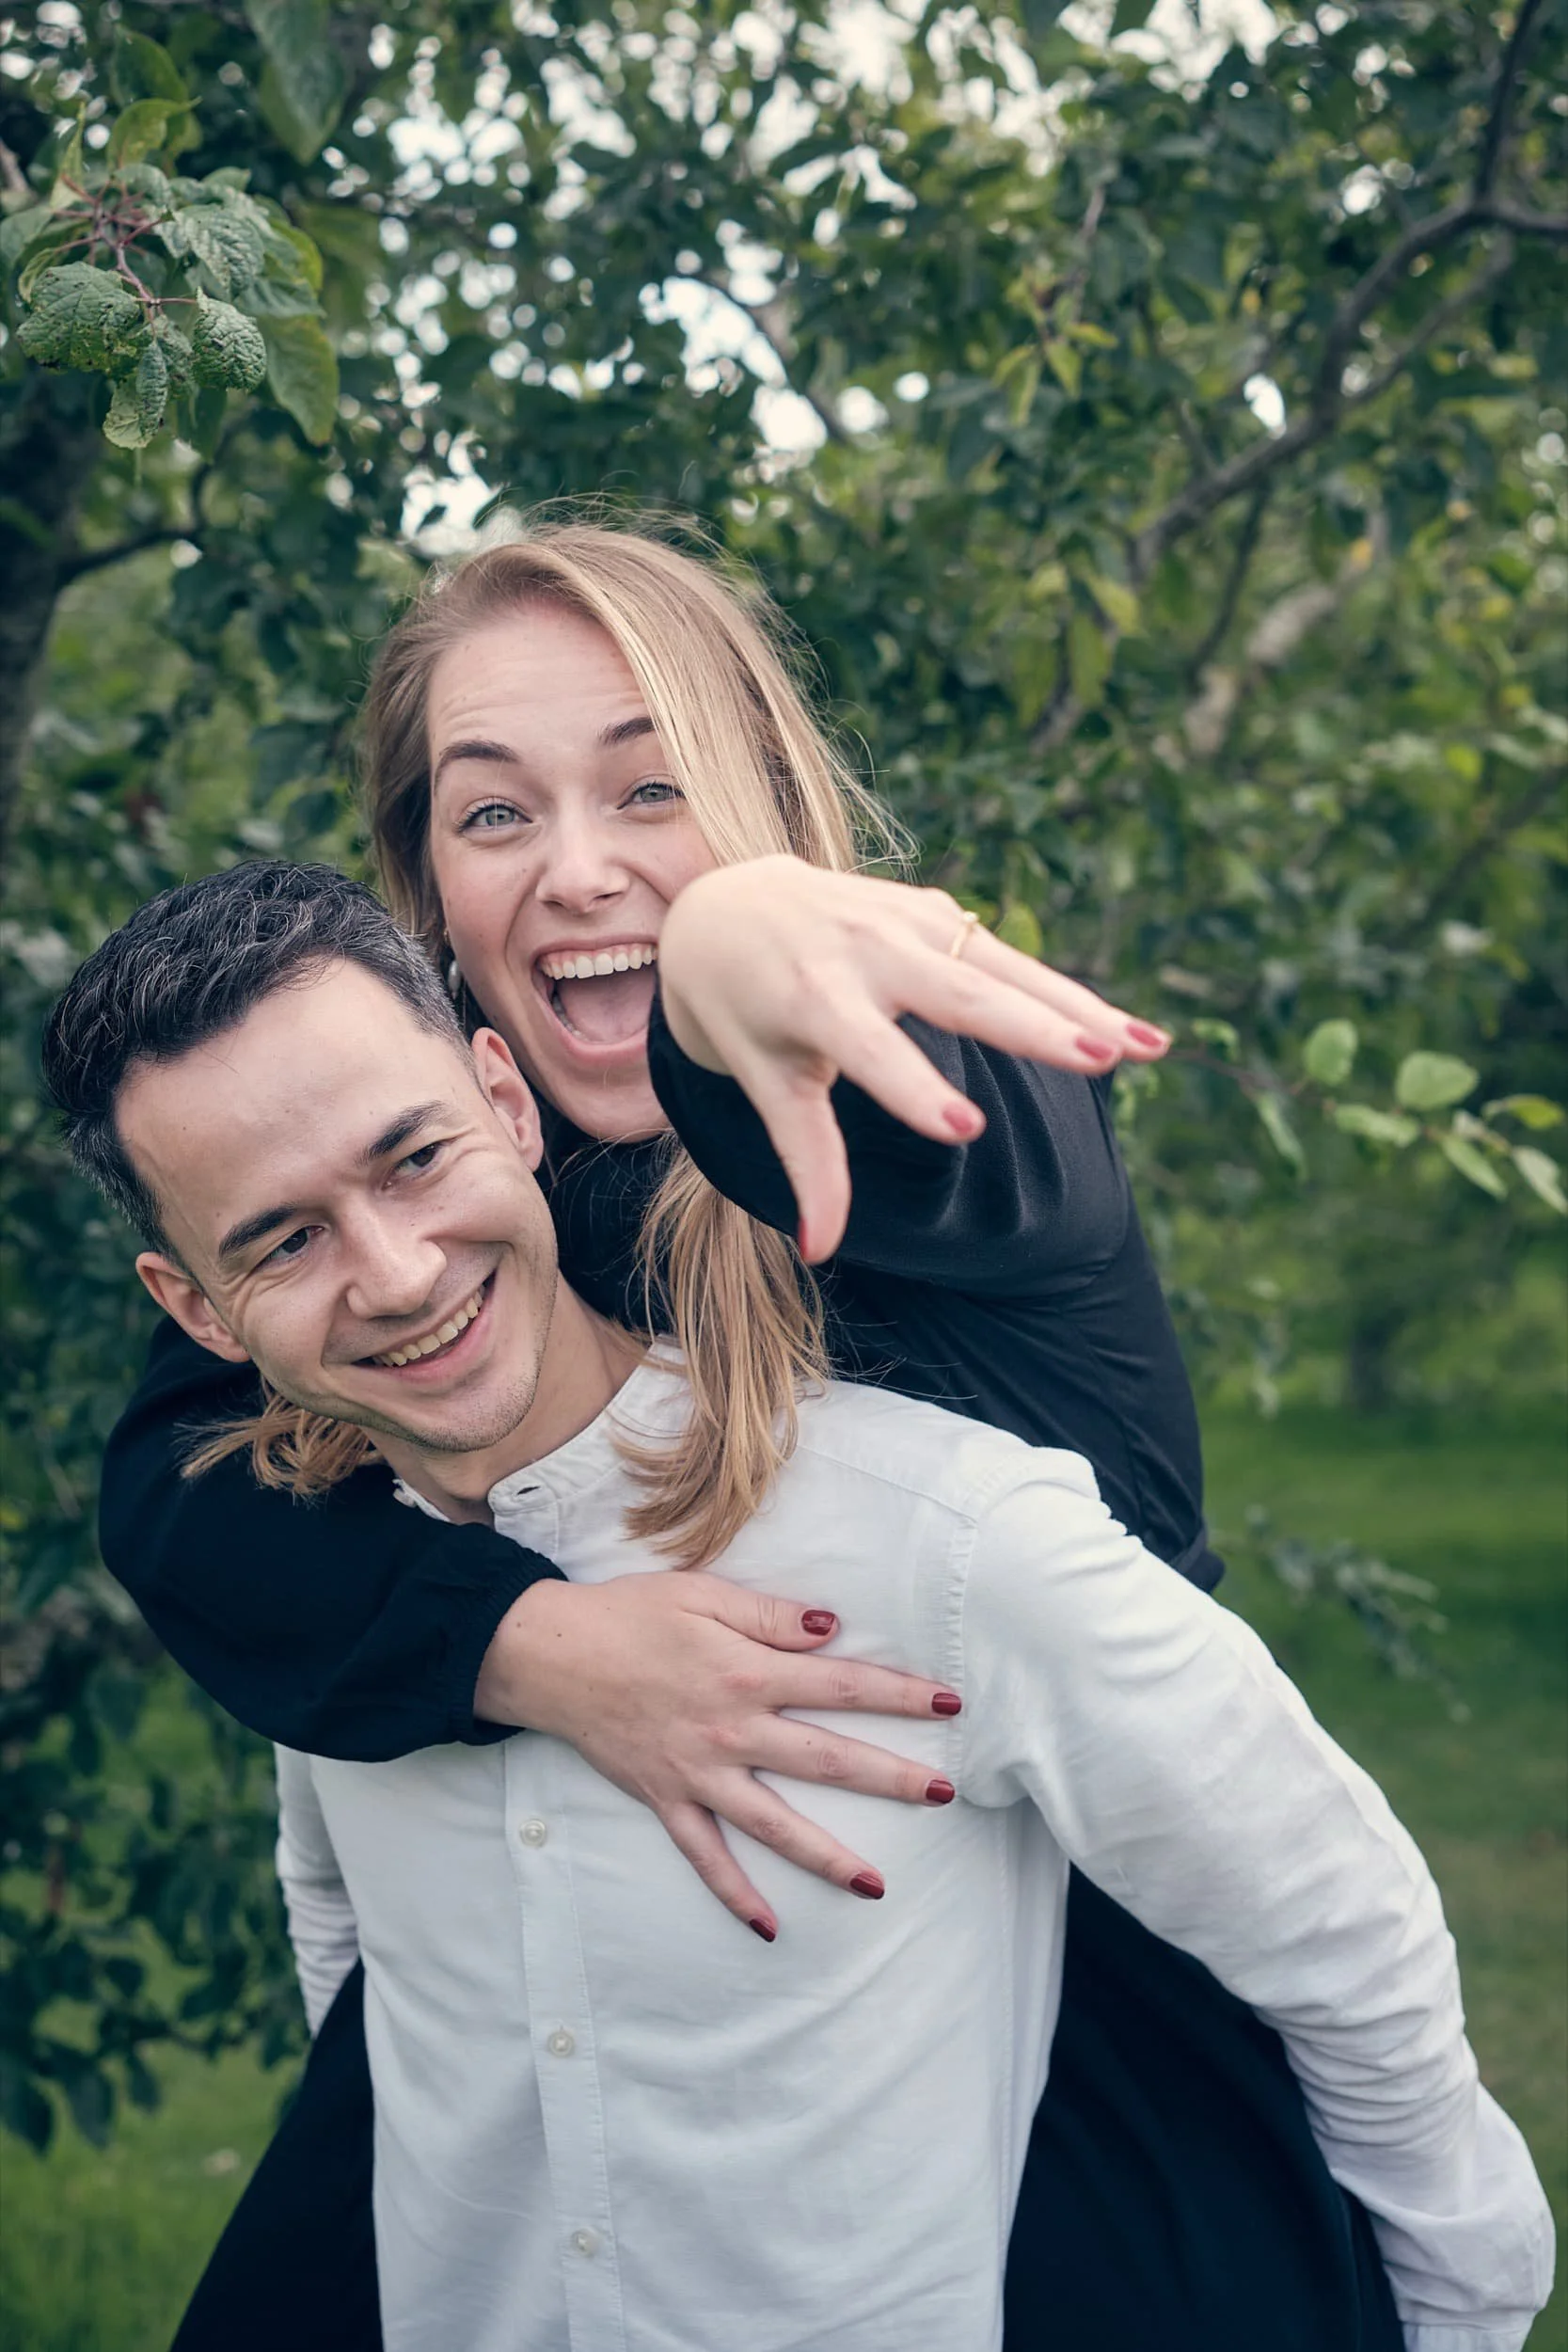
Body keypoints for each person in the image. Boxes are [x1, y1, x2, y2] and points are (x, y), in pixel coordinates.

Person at [94, 517, 1378, 2349]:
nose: (579, 870)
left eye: (656, 785)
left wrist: (733, 955)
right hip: (593, 2017)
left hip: (1066, 2065)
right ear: (428, 890)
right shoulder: (430, 1204)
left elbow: (937, 1124)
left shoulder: (946, 1113)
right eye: (493, 813)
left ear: (772, 806)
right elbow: (183, 1493)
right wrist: (536, 1648)